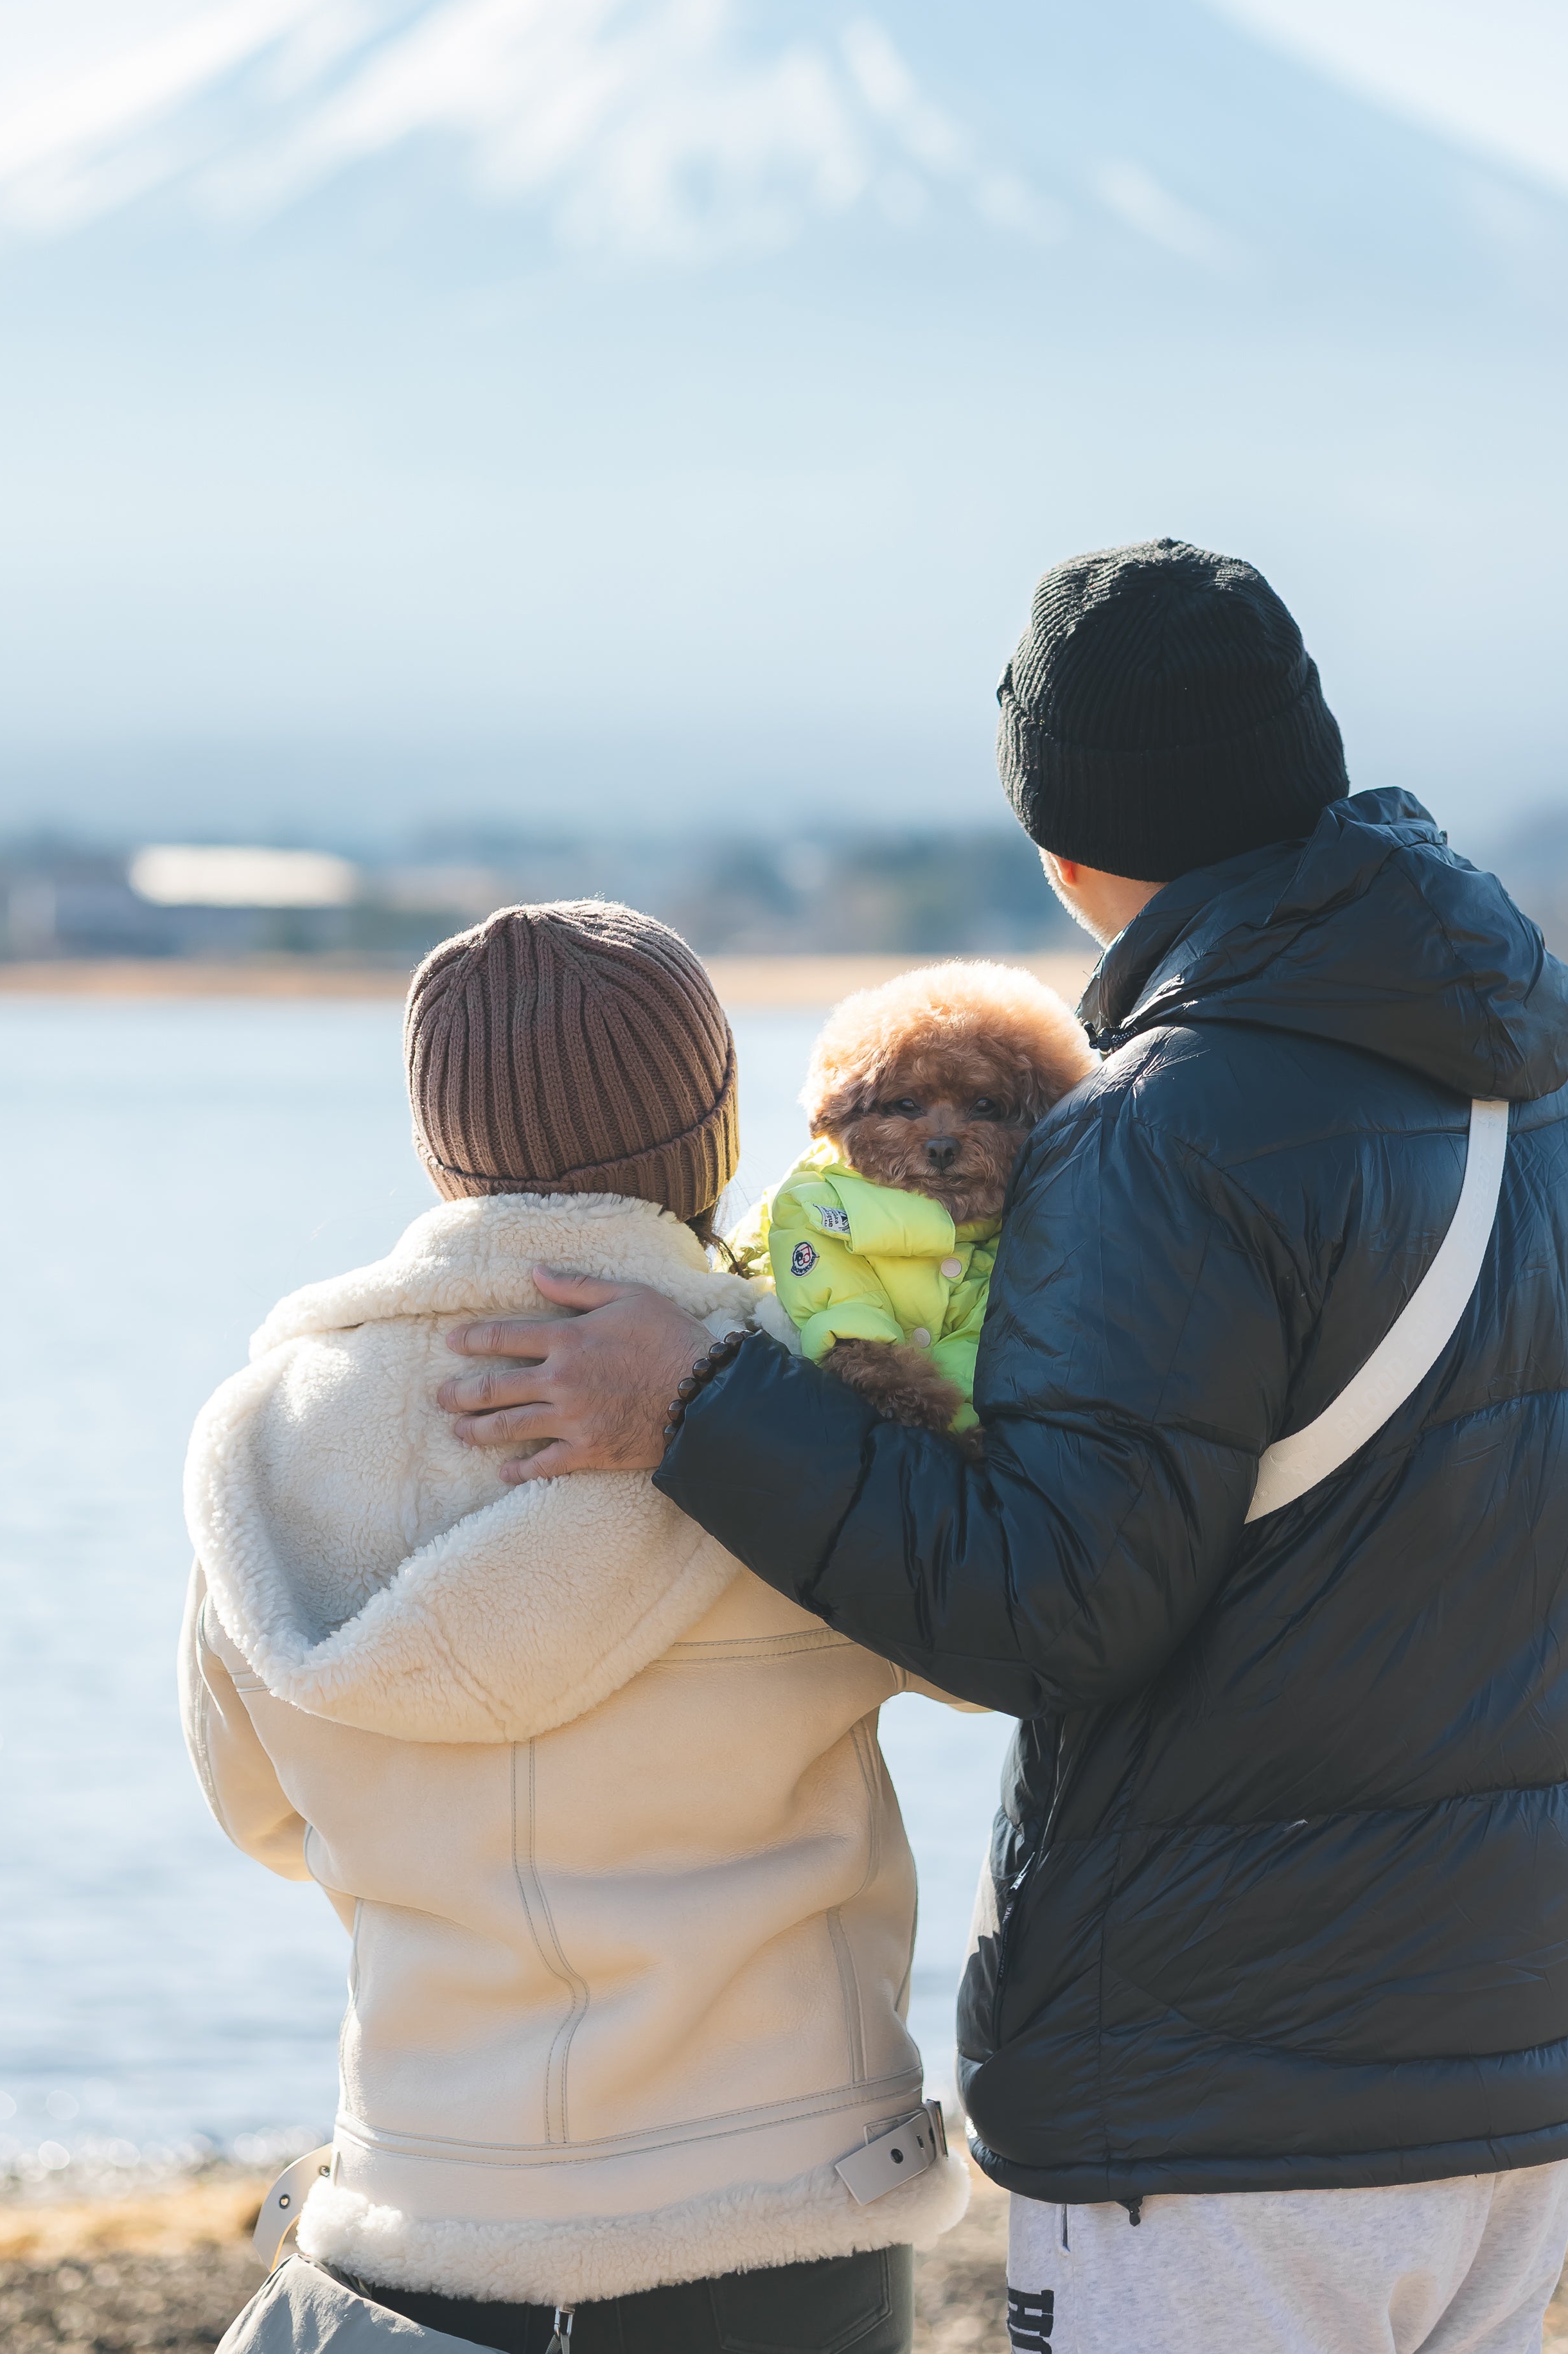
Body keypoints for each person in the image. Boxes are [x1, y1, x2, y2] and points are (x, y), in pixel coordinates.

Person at [439, 542, 1568, 2354]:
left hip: (1225, 2099)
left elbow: (1053, 1608)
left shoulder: (1165, 1130)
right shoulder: (1533, 1089)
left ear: (1067, 856)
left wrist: (694, 1397)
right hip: (1505, 2069)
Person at [181, 902, 965, 2354]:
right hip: (784, 2206)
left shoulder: (265, 1439)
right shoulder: (799, 1400)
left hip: (431, 2205)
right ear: (715, 1134)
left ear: (439, 1144)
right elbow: (988, 1640)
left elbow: (256, 1810)